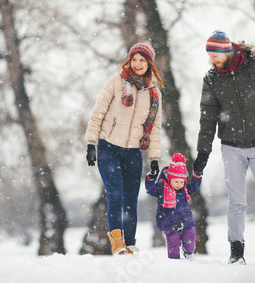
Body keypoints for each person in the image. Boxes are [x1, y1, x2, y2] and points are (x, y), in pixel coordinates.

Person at [193, 30, 255, 266]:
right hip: (231, 147)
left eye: (214, 55)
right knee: (236, 201)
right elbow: (207, 118)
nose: (212, 60)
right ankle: (236, 252)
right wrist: (203, 152)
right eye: (209, 56)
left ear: (226, 50)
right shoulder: (212, 78)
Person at [85, 43, 164, 255]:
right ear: (129, 61)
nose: (138, 64)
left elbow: (155, 128)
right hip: (107, 147)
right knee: (116, 195)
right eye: (135, 59)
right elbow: (97, 113)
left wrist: (154, 159)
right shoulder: (115, 82)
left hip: (133, 152)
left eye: (143, 60)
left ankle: (130, 244)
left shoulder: (154, 94)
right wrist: (91, 144)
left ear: (149, 64)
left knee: (131, 199)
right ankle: (118, 245)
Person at [145, 153, 202, 259]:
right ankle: (174, 260)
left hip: (185, 219)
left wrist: (197, 176)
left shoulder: (184, 189)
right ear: (169, 178)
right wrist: (150, 179)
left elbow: (194, 187)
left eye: (181, 181)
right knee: (173, 241)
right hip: (169, 221)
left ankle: (189, 254)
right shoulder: (162, 188)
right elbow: (150, 189)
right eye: (176, 181)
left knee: (190, 236)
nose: (179, 184)